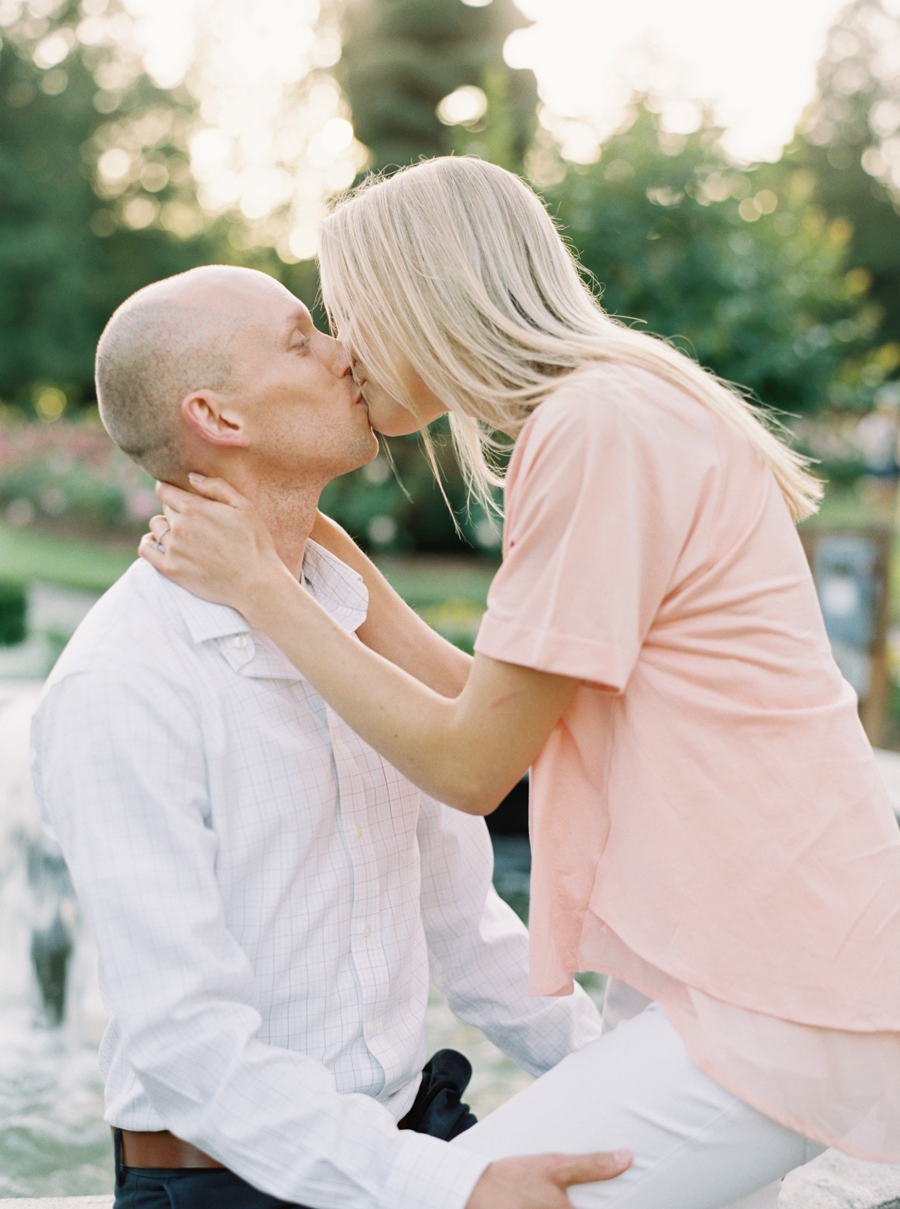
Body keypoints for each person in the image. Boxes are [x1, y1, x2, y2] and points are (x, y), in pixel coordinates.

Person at [142, 157, 900, 1209]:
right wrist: (330, 565)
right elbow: (512, 714)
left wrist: (266, 593)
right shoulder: (615, 411)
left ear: (422, 296)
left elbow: (471, 762)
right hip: (751, 965)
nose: (344, 353)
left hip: (776, 982)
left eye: (347, 312)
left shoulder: (597, 431)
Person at [30, 263, 633, 1209]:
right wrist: (449, 1185)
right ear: (217, 418)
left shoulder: (344, 619)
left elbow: (469, 931)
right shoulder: (124, 683)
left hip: (391, 1158)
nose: (345, 351)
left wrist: (630, 1084)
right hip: (225, 1191)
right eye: (300, 337)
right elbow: (189, 1044)